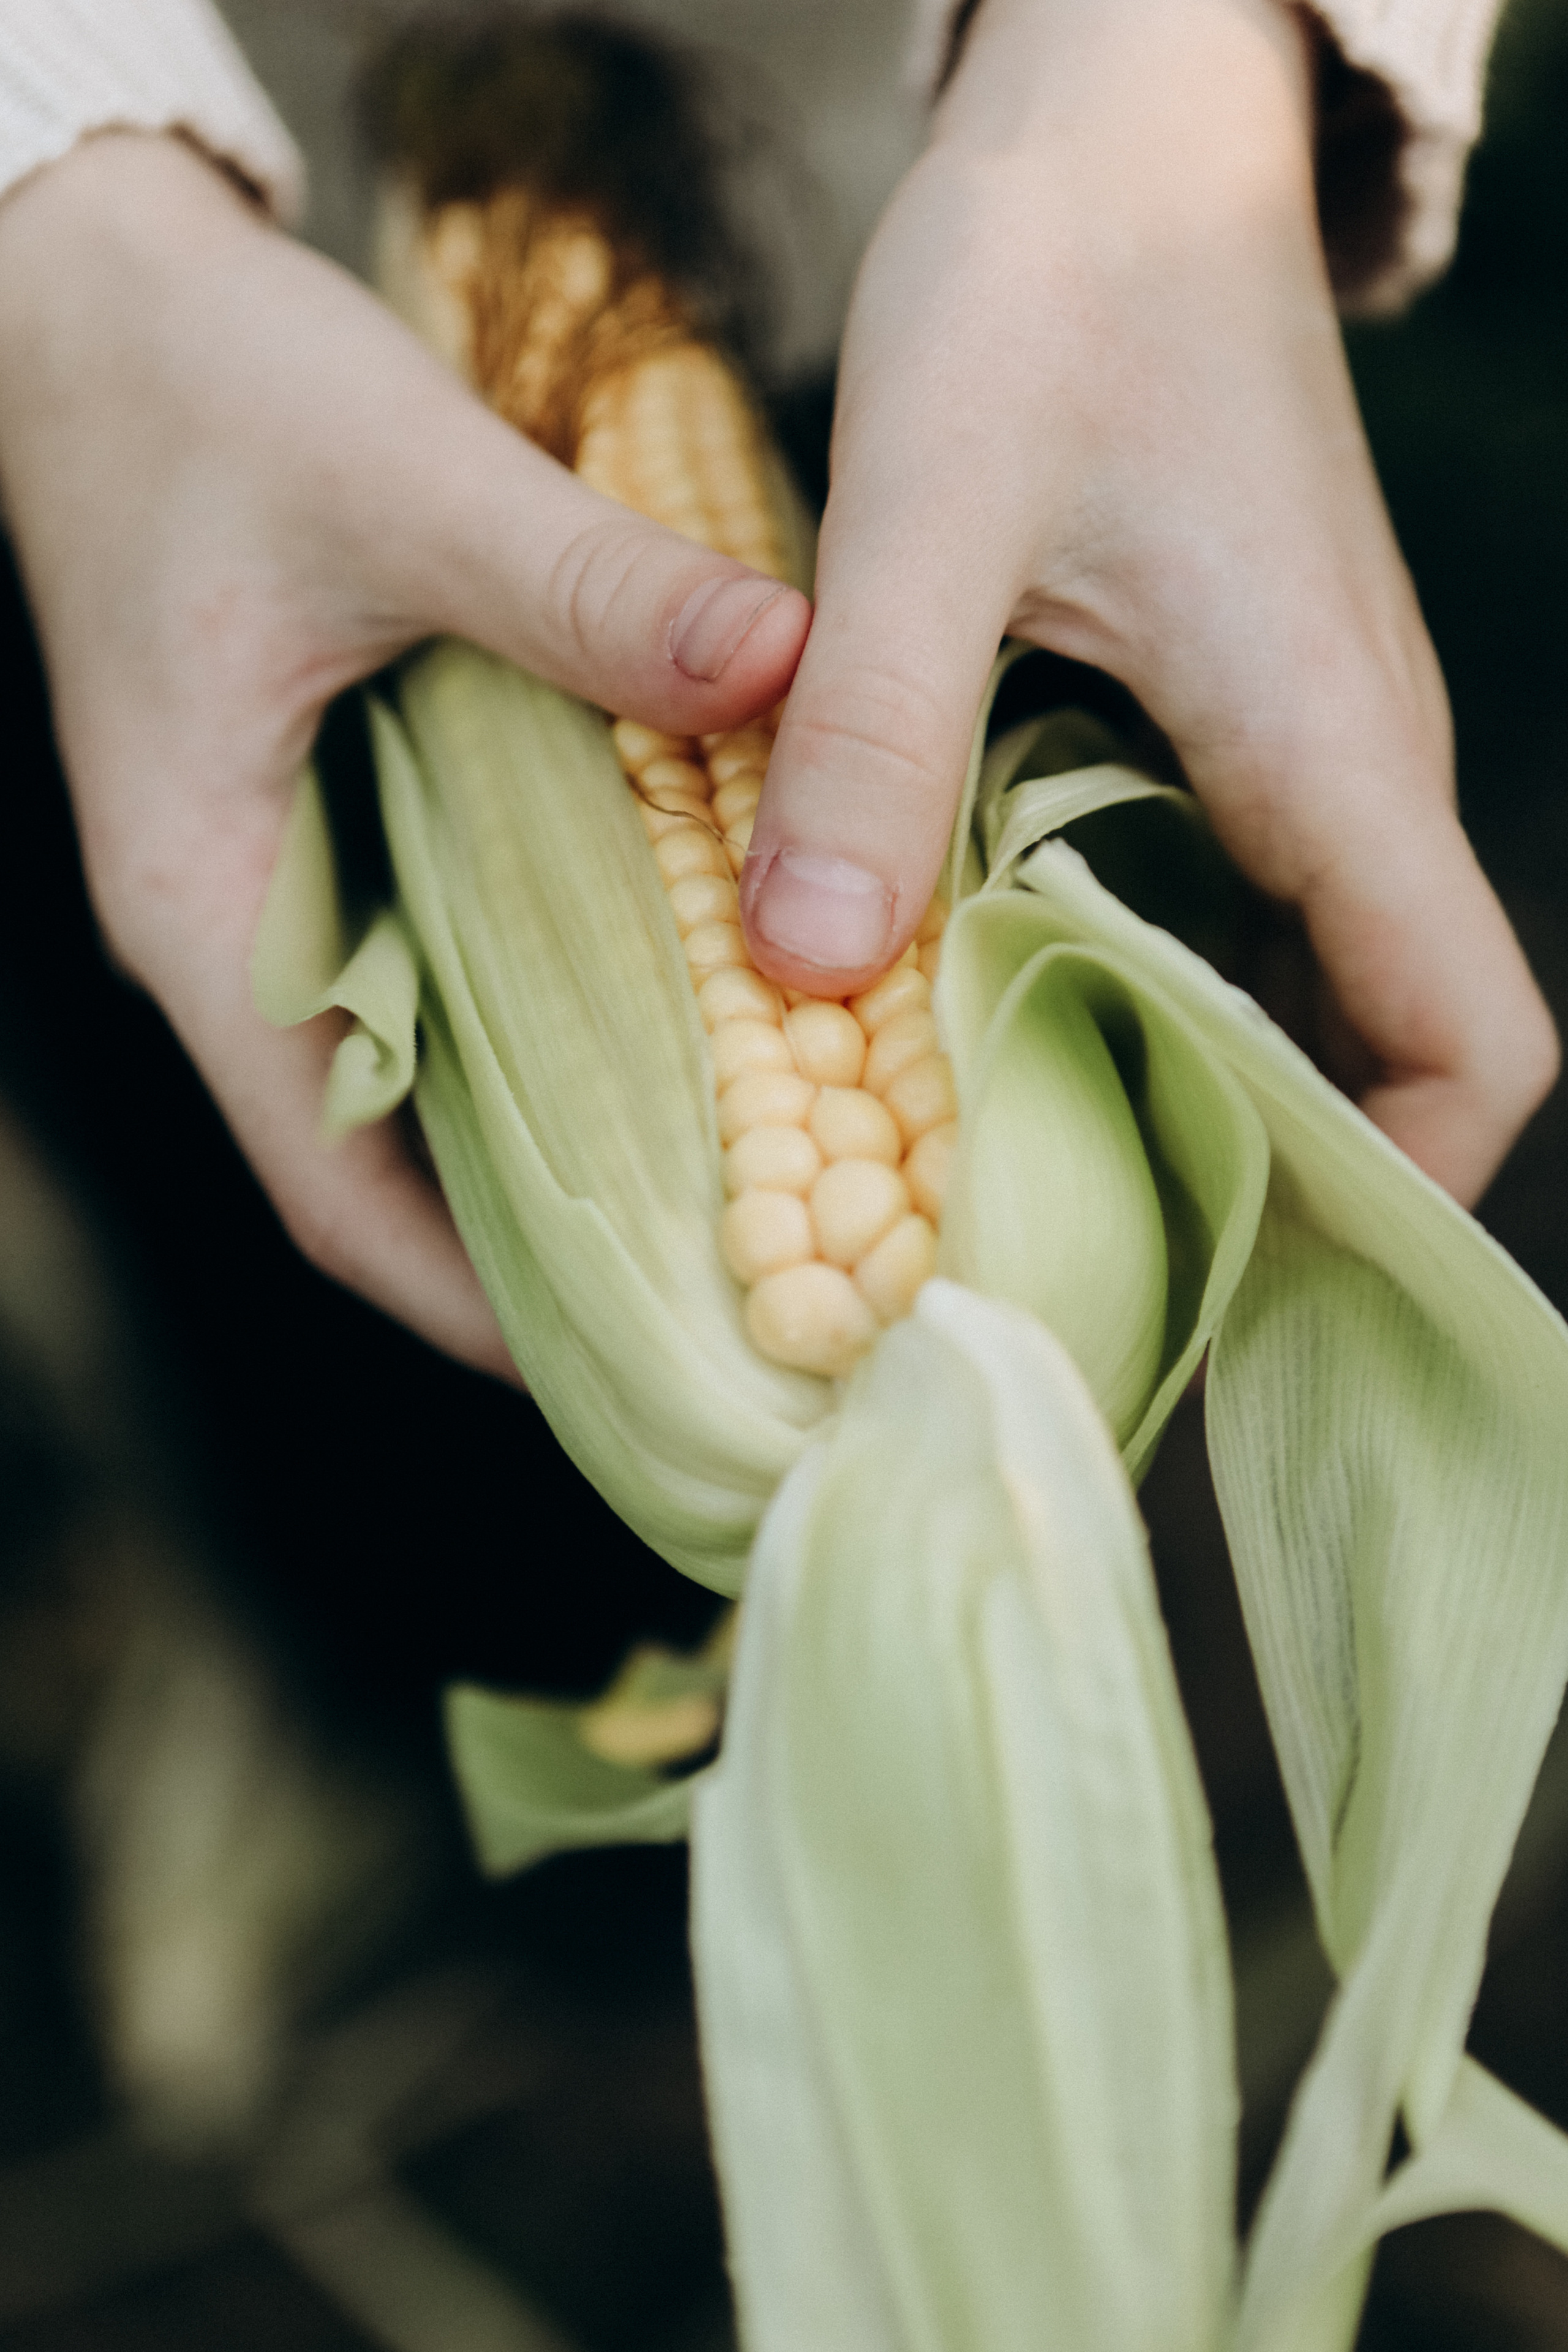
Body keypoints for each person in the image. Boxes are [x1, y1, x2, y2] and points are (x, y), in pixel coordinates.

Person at [0, 0, 1552, 1384]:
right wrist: (63, 226)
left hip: (942, 293)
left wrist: (1175, 67)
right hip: (136, 457)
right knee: (317, 1332)